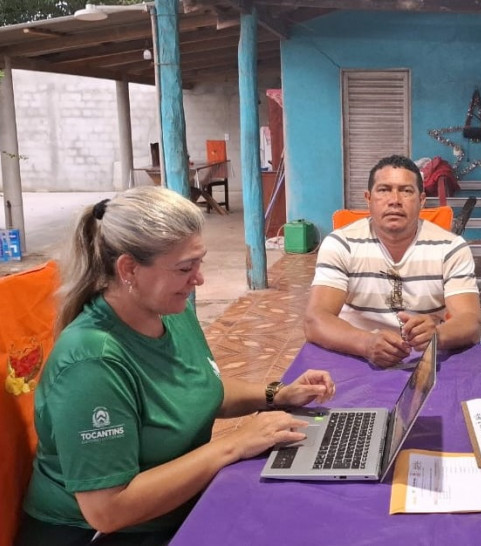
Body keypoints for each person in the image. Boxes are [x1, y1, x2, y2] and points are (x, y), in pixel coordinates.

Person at [17, 186, 335, 545]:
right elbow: (107, 510)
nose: (198, 279)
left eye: (198, 263)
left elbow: (199, 387)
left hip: (174, 510)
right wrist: (234, 444)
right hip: (101, 533)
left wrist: (277, 394)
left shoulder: (169, 312)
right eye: (185, 268)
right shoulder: (92, 360)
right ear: (128, 270)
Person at [304, 154, 481, 368]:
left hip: (425, 361)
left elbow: (471, 321)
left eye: (406, 191)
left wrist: (437, 335)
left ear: (422, 200)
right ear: (368, 199)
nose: (394, 200)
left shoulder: (451, 248)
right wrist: (365, 343)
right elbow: (315, 320)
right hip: (354, 355)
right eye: (384, 190)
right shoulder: (341, 244)